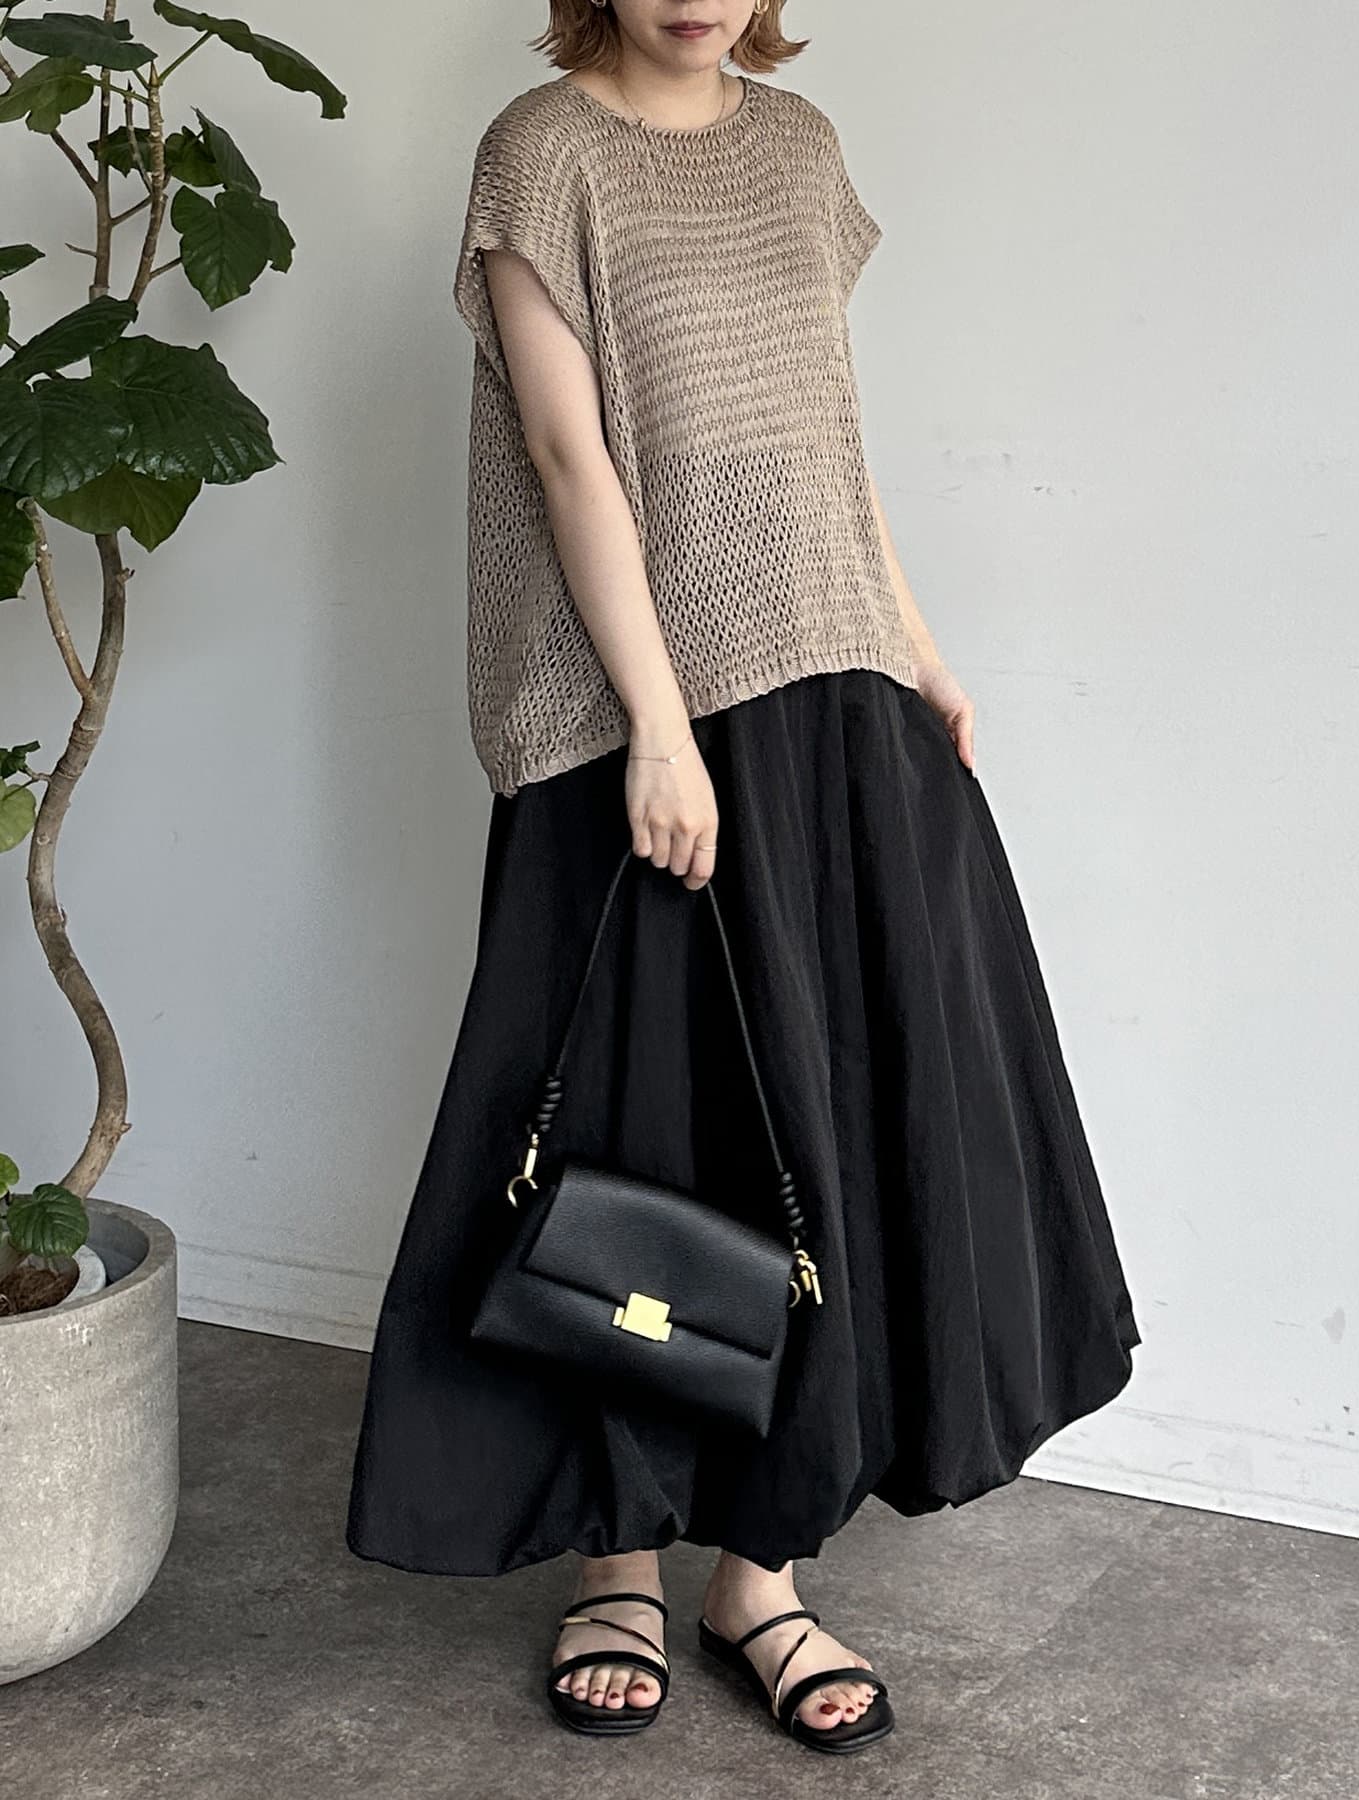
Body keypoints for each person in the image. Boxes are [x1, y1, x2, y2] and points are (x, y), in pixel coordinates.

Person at [345, 0, 1142, 1756]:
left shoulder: (800, 150)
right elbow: (571, 458)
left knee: (820, 1120)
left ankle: (759, 1572)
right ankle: (616, 1559)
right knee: (632, 1128)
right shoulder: (541, 154)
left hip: (828, 688)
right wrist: (656, 724)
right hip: (626, 712)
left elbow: (825, 438)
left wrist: (914, 643)